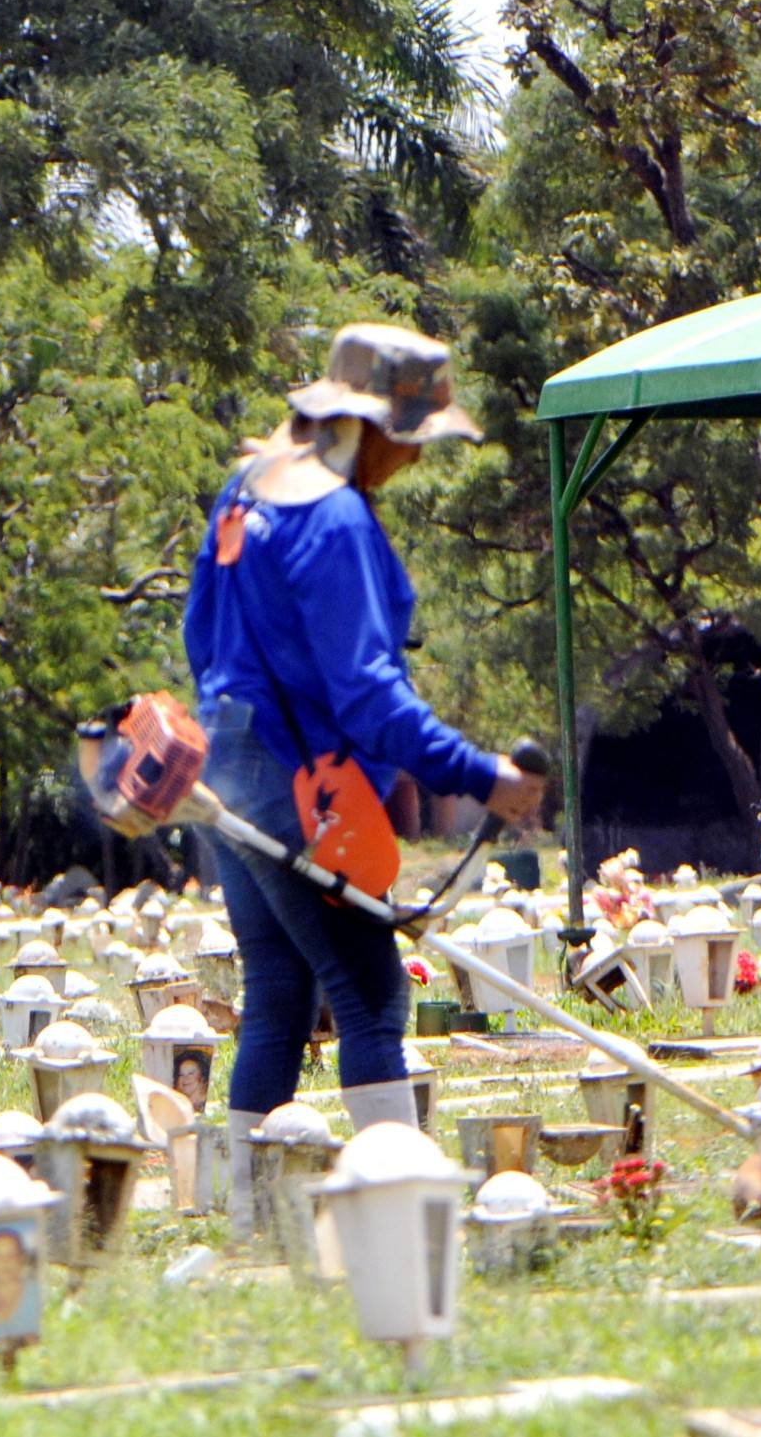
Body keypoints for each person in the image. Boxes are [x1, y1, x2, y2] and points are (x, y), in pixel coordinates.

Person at [181, 324, 545, 1135]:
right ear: (371, 426)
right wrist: (482, 774)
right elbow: (368, 696)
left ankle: (256, 1213)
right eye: (411, 439)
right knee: (373, 990)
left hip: (227, 763)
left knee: (278, 986)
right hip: (295, 776)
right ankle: (394, 1194)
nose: (415, 458)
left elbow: (199, 636)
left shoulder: (247, 487)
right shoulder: (337, 517)